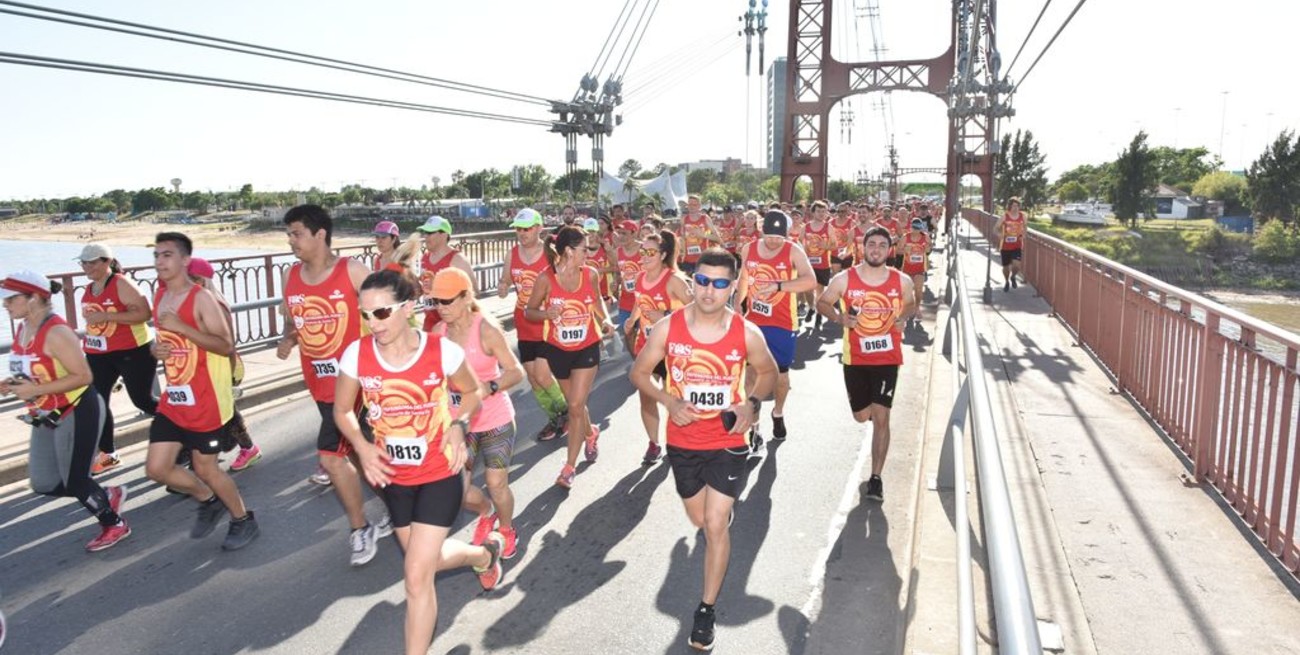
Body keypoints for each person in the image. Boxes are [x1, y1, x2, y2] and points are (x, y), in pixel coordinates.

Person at [334, 269, 505, 655]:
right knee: (423, 562)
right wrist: (361, 446)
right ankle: (483, 554)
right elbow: (343, 410)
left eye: (381, 313)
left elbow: (472, 392)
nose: (372, 324)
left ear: (408, 308)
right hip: (393, 479)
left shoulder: (441, 351)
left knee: (415, 578)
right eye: (365, 314)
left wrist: (460, 424)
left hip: (438, 474)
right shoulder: (356, 355)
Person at [629, 248, 777, 652]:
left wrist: (751, 404)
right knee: (700, 518)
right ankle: (717, 525)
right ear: (693, 281)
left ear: (732, 287)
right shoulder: (668, 328)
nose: (710, 291)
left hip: (728, 441)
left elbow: (768, 373)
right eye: (703, 281)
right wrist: (669, 402)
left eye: (720, 283)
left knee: (714, 524)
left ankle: (706, 610)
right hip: (683, 442)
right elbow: (638, 372)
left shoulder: (746, 332)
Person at [276, 204, 390, 565]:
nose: (291, 240)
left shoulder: (352, 271)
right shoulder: (290, 276)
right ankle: (399, 505)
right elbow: (295, 317)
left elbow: (386, 312)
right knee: (358, 452)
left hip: (356, 385)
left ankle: (360, 529)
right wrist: (288, 338)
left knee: (330, 456)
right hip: (319, 385)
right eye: (289, 234)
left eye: (296, 233)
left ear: (320, 234)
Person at [143, 233, 259, 550]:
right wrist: (157, 350)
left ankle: (243, 519)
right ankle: (209, 499)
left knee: (205, 467)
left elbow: (225, 345)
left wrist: (184, 329)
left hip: (206, 401)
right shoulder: (160, 297)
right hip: (175, 396)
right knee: (156, 468)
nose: (159, 261)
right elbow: (166, 343)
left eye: (166, 255)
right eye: (156, 255)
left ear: (184, 261)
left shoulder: (202, 299)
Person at [2, 270, 130, 552]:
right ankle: (108, 494)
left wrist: (34, 391)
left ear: (35, 298)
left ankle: (114, 523)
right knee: (44, 483)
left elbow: (83, 376)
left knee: (76, 480)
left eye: (11, 299)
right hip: (46, 413)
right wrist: (10, 384)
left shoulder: (57, 332)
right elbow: (36, 370)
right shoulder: (25, 328)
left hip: (77, 408)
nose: (4, 304)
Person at [815, 226, 916, 501]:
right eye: (872, 244)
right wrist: (839, 319)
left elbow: (911, 303)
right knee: (862, 416)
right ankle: (871, 408)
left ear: (889, 250)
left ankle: (876, 478)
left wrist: (903, 317)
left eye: (882, 245)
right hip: (855, 358)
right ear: (863, 247)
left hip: (887, 358)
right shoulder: (844, 279)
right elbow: (822, 303)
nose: (876, 250)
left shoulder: (901, 280)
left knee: (882, 416)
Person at [433, 268, 525, 560]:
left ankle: (507, 529)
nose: (441, 308)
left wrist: (489, 386)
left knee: (498, 484)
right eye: (437, 301)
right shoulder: (438, 335)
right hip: (460, 423)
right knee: (457, 493)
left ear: (465, 297)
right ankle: (486, 513)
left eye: (447, 301)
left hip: (494, 419)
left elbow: (516, 372)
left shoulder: (486, 330)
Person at [523, 226, 615, 489]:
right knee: (576, 405)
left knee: (575, 406)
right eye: (584, 249)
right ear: (568, 251)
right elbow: (530, 311)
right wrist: (546, 315)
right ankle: (590, 432)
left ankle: (568, 467)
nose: (589, 252)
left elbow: (596, 303)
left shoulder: (591, 274)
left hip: (587, 347)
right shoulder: (545, 279)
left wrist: (606, 321)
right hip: (557, 350)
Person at [735, 210, 817, 446]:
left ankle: (778, 413)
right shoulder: (748, 249)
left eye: (778, 238)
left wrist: (778, 286)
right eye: (770, 236)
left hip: (782, 323)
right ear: (762, 231)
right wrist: (738, 305)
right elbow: (743, 277)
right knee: (751, 375)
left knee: (781, 377)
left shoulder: (793, 250)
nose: (773, 242)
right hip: (754, 321)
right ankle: (754, 428)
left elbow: (809, 281)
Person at [75, 243, 158, 475]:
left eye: (91, 262)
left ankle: (185, 426)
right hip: (99, 353)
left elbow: (144, 313)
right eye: (83, 262)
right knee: (97, 403)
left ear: (107, 262)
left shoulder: (121, 283)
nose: (86, 266)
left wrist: (106, 316)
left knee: (142, 400)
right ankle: (109, 454)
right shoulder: (89, 289)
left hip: (133, 351)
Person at [497, 208, 569, 441]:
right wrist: (502, 286)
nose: (522, 233)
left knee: (544, 375)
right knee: (534, 379)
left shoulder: (549, 254)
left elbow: (565, 282)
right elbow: (507, 280)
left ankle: (567, 413)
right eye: (518, 228)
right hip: (524, 322)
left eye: (526, 228)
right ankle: (553, 417)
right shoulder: (512, 253)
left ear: (539, 228)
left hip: (547, 321)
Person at [625, 230, 692, 466]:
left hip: (674, 350)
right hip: (648, 345)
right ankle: (654, 444)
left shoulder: (674, 280)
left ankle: (677, 440)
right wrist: (633, 319)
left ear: (663, 254)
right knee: (646, 395)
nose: (644, 256)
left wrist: (665, 314)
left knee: (673, 397)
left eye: (650, 252)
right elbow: (640, 300)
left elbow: (697, 310)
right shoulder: (641, 277)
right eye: (642, 251)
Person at [188, 258, 261, 471]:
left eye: (191, 279)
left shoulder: (215, 305)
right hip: (200, 367)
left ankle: (247, 448)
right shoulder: (193, 302)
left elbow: (228, 345)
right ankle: (206, 452)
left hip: (221, 367)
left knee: (225, 410)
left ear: (203, 280)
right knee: (215, 410)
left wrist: (229, 377)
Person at [416, 216, 474, 331]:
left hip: (453, 327)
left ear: (444, 235)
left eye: (430, 233)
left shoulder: (458, 260)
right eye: (424, 233)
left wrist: (439, 288)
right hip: (430, 325)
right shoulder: (425, 258)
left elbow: (474, 293)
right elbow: (425, 288)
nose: (425, 237)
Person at [801, 201, 834, 327]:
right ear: (813, 212)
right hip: (808, 264)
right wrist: (803, 251)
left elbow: (834, 245)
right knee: (808, 290)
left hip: (823, 264)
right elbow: (799, 242)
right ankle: (811, 307)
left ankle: (819, 314)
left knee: (819, 290)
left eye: (823, 211)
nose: (821, 214)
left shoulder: (828, 227)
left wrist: (825, 246)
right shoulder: (806, 227)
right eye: (818, 211)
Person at [899, 219, 932, 321]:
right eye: (915, 228)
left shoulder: (925, 236)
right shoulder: (906, 237)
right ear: (911, 228)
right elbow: (898, 250)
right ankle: (907, 308)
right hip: (907, 268)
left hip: (920, 268)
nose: (916, 231)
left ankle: (917, 308)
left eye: (918, 229)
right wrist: (905, 250)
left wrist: (927, 248)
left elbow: (929, 249)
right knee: (907, 291)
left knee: (918, 290)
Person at [678, 195, 720, 275]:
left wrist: (703, 235)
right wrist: (682, 252)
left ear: (699, 206)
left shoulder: (705, 218)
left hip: (702, 260)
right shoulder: (684, 219)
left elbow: (717, 238)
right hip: (688, 260)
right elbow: (683, 238)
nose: (692, 207)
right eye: (690, 204)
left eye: (694, 205)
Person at [995, 197, 1026, 292]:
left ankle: (1013, 277)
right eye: (1013, 206)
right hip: (1005, 246)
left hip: (1017, 245)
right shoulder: (1005, 216)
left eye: (1017, 206)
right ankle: (1007, 281)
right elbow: (996, 228)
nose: (1015, 208)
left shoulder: (1023, 216)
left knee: (1017, 265)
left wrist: (1024, 234)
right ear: (1010, 207)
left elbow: (1025, 227)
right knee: (1006, 268)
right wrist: (999, 234)